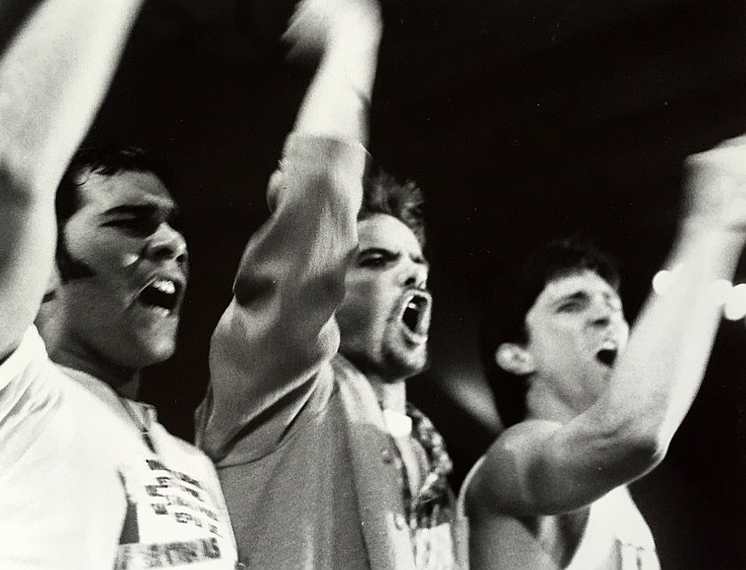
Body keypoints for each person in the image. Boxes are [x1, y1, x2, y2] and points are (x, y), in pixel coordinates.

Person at [0, 1, 237, 568]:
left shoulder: (194, 467)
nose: (173, 243)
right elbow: (5, 175)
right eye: (131, 222)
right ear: (44, 266)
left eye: (174, 226)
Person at [195, 0, 462, 567]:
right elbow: (316, 202)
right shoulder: (277, 385)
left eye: (416, 262)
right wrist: (352, 40)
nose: (412, 273)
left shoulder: (430, 460)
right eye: (377, 260)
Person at [457, 136, 746, 569]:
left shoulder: (619, 503)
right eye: (572, 305)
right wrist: (713, 224)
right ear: (517, 355)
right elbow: (632, 433)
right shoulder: (510, 459)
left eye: (613, 305)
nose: (606, 317)